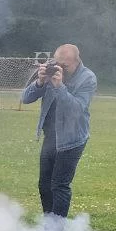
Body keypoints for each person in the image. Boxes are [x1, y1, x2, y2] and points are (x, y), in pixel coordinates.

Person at [21, 44, 97, 218]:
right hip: (51, 137)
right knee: (44, 185)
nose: (59, 67)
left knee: (59, 185)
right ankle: (49, 224)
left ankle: (57, 229)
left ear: (76, 61)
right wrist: (40, 82)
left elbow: (77, 109)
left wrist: (60, 87)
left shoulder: (87, 78)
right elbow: (25, 98)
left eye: (64, 65)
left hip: (72, 139)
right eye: (57, 63)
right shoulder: (51, 71)